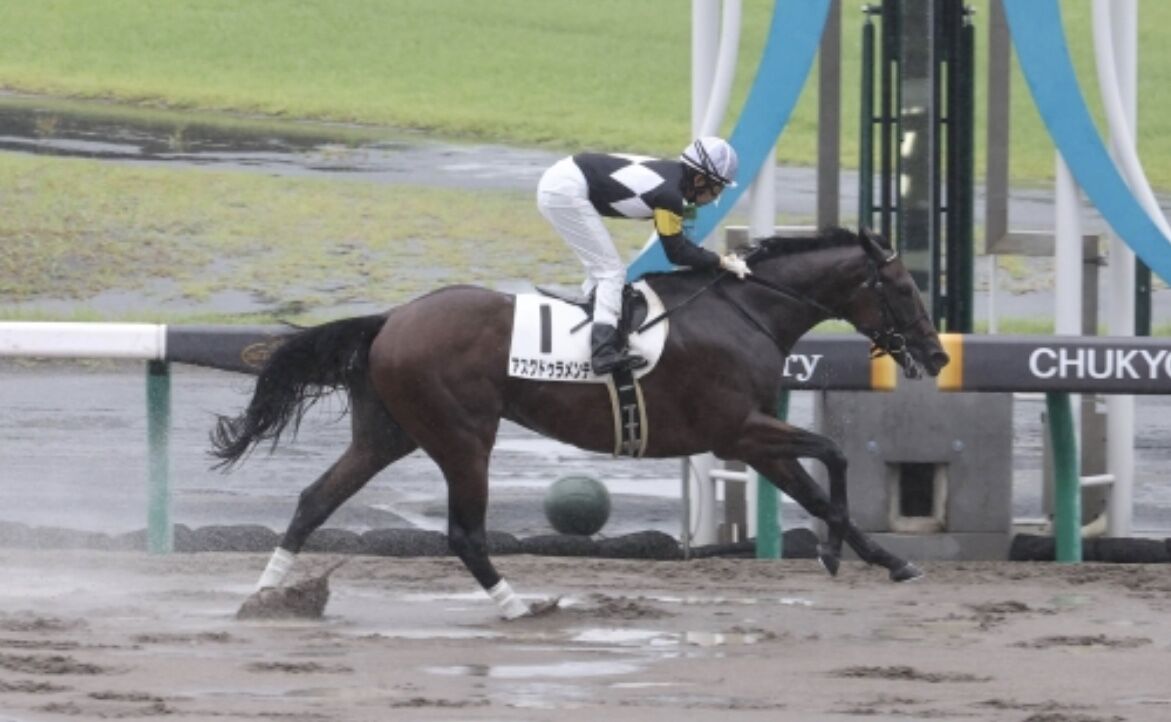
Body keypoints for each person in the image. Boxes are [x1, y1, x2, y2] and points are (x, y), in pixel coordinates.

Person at [537, 136, 752, 375]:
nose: (716, 197)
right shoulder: (670, 196)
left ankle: (599, 321)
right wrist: (721, 261)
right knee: (611, 272)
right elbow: (677, 252)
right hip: (564, 190)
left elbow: (682, 240)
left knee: (603, 270)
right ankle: (603, 352)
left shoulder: (677, 182)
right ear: (700, 180)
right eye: (718, 189)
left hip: (564, 182)